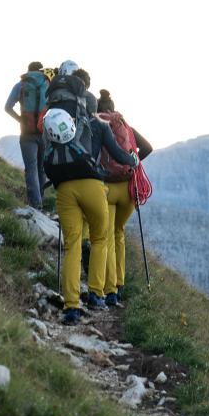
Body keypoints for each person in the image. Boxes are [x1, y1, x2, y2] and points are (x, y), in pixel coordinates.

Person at [41, 87, 138, 325]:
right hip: (94, 186)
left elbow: (49, 170)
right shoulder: (97, 126)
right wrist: (132, 160)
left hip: (65, 191)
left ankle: (71, 306)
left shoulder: (55, 137)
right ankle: (97, 294)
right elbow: (117, 153)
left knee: (73, 246)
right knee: (100, 240)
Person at [96, 88, 152, 306]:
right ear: (113, 107)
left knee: (107, 236)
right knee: (119, 234)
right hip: (128, 189)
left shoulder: (96, 125)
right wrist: (134, 162)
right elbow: (147, 147)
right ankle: (120, 284)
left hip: (107, 187)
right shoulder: (126, 127)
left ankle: (109, 290)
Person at [4, 61, 47, 209]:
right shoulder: (47, 84)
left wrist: (19, 119)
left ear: (28, 71)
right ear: (41, 70)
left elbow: (7, 107)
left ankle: (36, 204)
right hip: (45, 133)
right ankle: (41, 199)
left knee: (31, 168)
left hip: (27, 132)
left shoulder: (21, 85)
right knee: (42, 168)